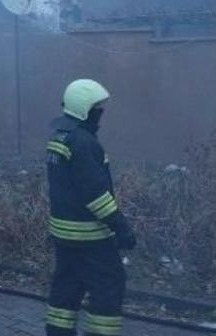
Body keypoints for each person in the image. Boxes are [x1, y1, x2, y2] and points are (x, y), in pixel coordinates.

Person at [44, 79, 136, 336]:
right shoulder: (84, 143)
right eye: (98, 107)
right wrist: (121, 227)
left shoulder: (60, 137)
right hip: (89, 235)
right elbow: (95, 194)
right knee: (109, 284)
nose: (101, 112)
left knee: (66, 288)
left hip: (64, 235)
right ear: (84, 108)